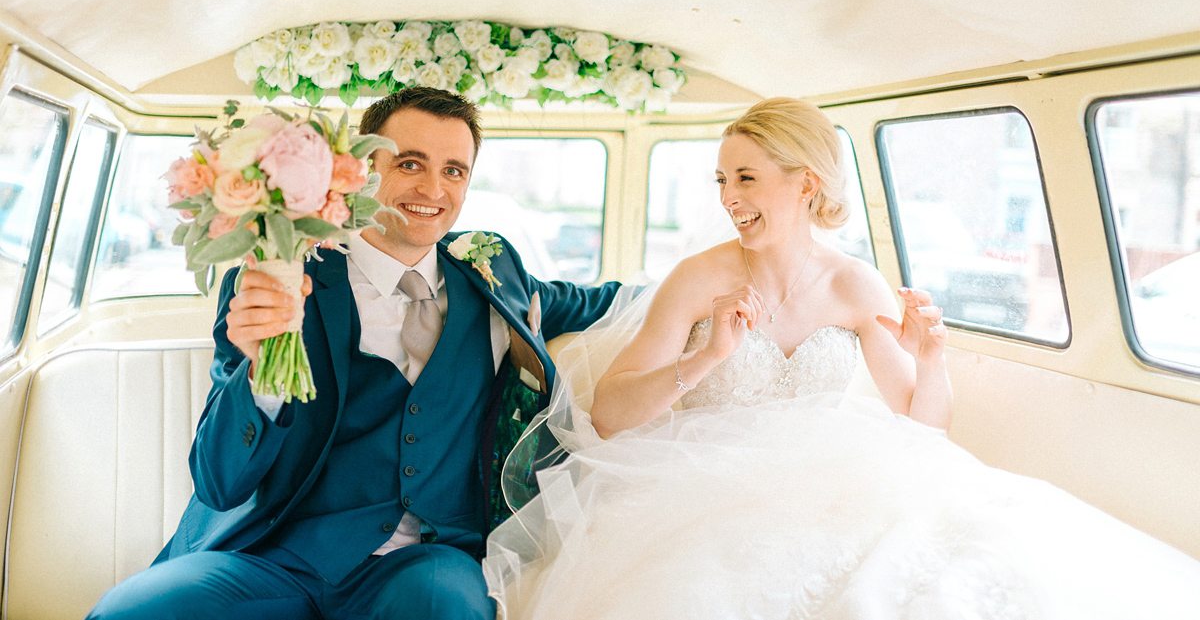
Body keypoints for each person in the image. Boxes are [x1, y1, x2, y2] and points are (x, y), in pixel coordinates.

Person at [483, 97, 1200, 619]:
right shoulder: (699, 280)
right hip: (705, 477)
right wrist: (708, 358)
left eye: (747, 178)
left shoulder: (856, 284)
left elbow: (923, 428)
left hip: (838, 473)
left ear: (806, 183)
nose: (729, 197)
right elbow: (608, 413)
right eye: (722, 181)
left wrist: (933, 356)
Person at [87, 86, 624, 620]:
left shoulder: (490, 269)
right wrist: (258, 372)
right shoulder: (277, 279)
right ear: (362, 168)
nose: (434, 188)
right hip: (274, 554)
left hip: (426, 562)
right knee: (131, 612)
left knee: (445, 608)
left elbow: (605, 302)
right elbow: (219, 482)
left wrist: (703, 288)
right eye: (411, 163)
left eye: (454, 170)